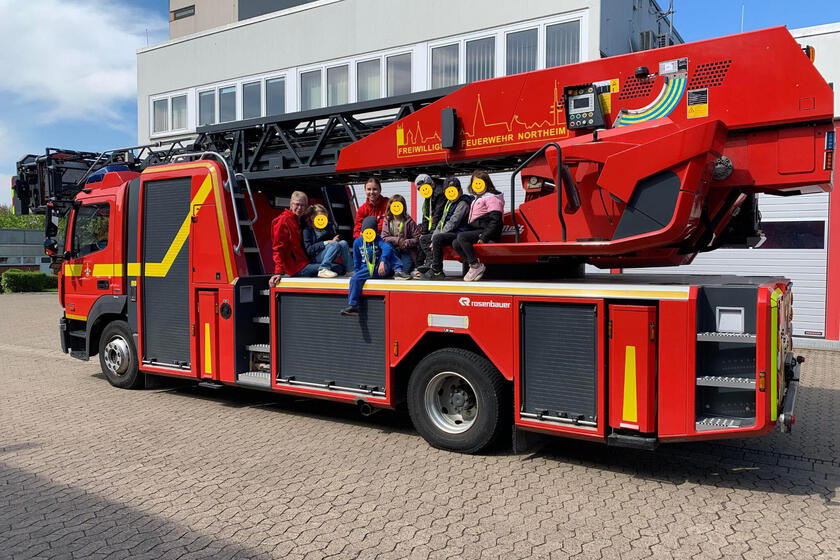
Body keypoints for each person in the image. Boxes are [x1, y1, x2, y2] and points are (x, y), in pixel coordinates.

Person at [342, 216, 409, 316]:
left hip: (381, 268)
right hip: (367, 269)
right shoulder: (357, 242)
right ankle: (353, 306)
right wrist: (357, 273)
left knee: (389, 247)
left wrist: (383, 261)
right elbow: (357, 261)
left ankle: (398, 271)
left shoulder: (378, 239)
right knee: (355, 279)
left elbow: (386, 248)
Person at [453, 170, 504, 282]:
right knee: (455, 243)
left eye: (479, 182)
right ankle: (475, 264)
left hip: (488, 233)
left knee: (462, 237)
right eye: (474, 183)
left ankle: (475, 266)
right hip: (478, 230)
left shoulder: (492, 198)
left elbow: (496, 221)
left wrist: (484, 237)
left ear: (486, 183)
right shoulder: (479, 197)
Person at [421, 177, 473, 281]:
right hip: (450, 232)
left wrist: (436, 237)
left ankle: (437, 270)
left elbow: (453, 222)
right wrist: (433, 237)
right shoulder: (449, 203)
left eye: (454, 190)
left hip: (459, 233)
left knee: (438, 239)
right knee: (424, 239)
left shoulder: (463, 203)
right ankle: (430, 263)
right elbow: (441, 222)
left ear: (460, 190)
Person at [269, 191, 322, 288]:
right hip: (296, 268)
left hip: (305, 263)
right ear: (291, 204)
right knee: (332, 268)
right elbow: (278, 248)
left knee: (336, 266)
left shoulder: (301, 220)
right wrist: (278, 272)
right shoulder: (283, 221)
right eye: (297, 204)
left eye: (303, 205)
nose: (300, 208)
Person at [302, 204, 352, 277]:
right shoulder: (307, 230)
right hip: (315, 257)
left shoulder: (328, 228)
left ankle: (350, 270)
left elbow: (333, 242)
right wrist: (326, 242)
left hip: (328, 254)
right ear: (313, 218)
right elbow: (309, 250)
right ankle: (323, 269)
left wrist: (334, 240)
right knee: (334, 244)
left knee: (343, 243)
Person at [414, 173, 446, 275]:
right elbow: (426, 215)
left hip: (442, 228)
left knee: (425, 239)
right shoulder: (429, 196)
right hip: (435, 228)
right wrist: (423, 232)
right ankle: (419, 267)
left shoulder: (440, 194)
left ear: (431, 184)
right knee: (420, 237)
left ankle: (431, 262)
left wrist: (432, 234)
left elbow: (437, 216)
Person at [381, 194, 421, 274]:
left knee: (404, 270)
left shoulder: (409, 221)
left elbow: (417, 238)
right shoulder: (387, 221)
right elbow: (384, 237)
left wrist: (406, 242)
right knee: (388, 270)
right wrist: (398, 240)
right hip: (393, 251)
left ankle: (409, 269)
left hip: (406, 251)